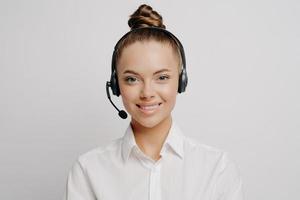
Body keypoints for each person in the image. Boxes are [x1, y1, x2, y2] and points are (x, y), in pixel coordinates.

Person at [63, 4, 244, 200]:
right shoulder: (88, 171)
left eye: (162, 77)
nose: (147, 93)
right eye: (132, 79)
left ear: (181, 81)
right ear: (116, 86)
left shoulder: (217, 169)